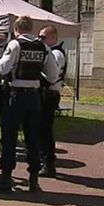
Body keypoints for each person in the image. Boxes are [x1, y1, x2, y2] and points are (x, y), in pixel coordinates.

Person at [0, 16, 59, 193]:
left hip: (15, 97)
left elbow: (2, 68)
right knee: (32, 139)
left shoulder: (15, 44)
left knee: (9, 138)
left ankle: (6, 178)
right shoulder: (43, 46)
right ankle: (34, 179)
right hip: (34, 98)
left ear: (16, 29)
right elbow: (52, 75)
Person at [38, 26, 66, 177]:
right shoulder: (50, 52)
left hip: (50, 93)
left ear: (53, 38)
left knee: (45, 130)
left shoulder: (55, 53)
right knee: (42, 129)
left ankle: (48, 163)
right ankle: (45, 161)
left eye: (44, 37)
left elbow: (52, 76)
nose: (40, 39)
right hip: (47, 93)